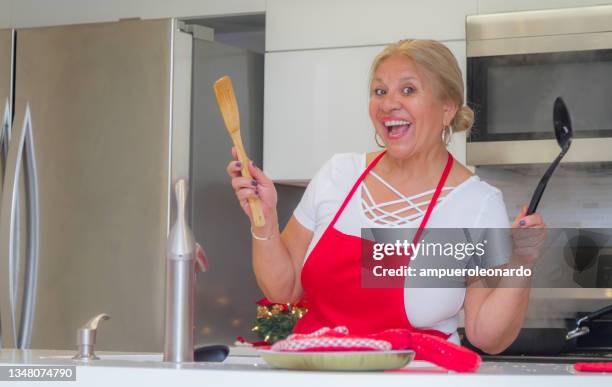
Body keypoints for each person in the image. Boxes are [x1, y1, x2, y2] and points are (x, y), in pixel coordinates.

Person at [226, 39, 546, 354]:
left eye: (408, 90)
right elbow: (284, 289)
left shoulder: (476, 204)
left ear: (447, 108)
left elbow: (487, 336)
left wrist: (521, 261)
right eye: (380, 91)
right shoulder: (338, 175)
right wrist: (265, 220)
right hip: (319, 373)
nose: (388, 103)